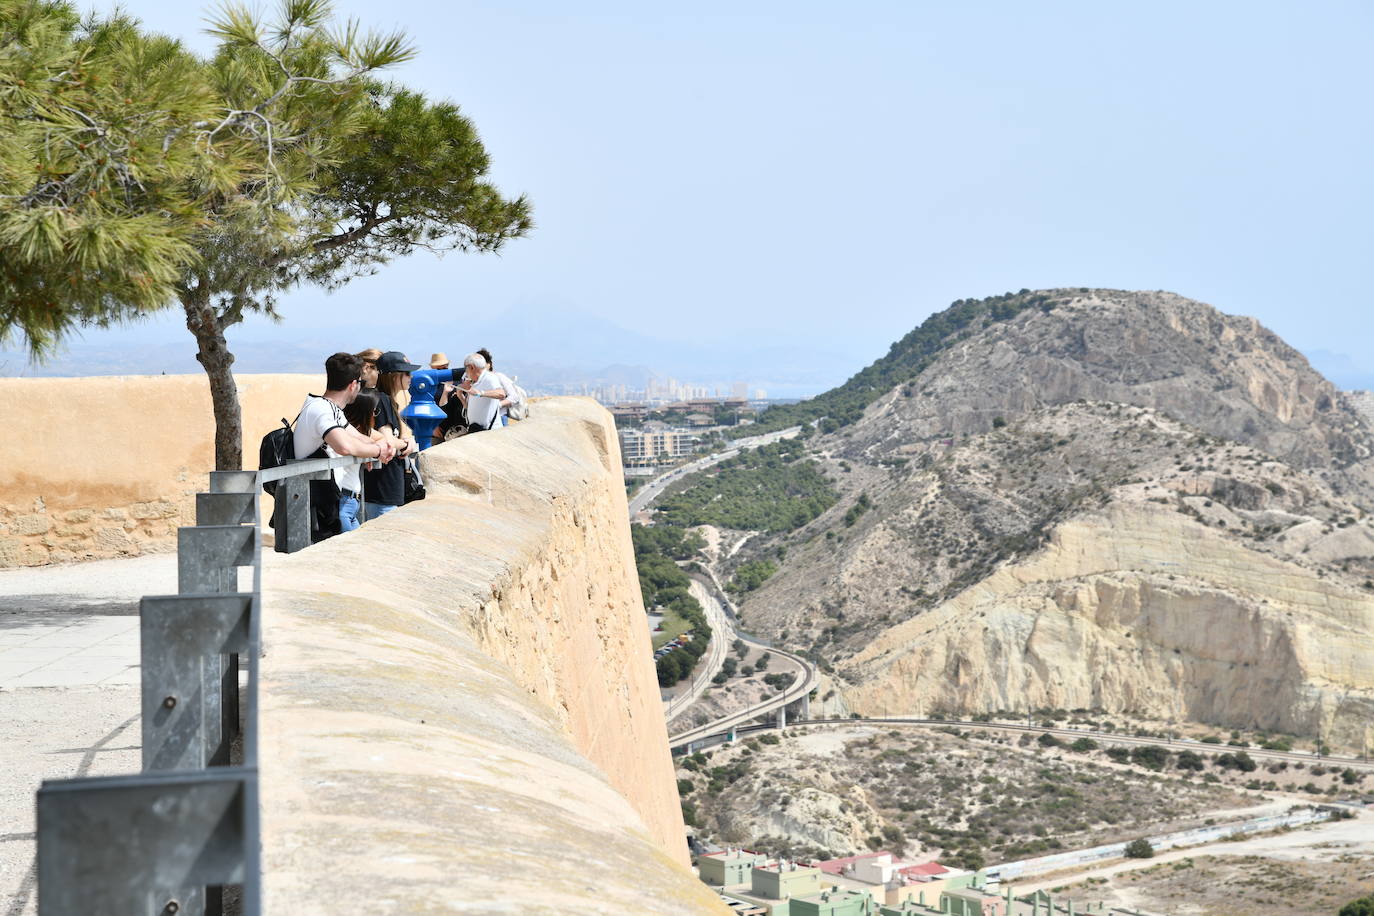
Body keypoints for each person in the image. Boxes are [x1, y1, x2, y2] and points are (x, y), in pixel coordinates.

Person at [295, 353, 396, 539]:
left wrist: (381, 444)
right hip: (317, 506)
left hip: (331, 502)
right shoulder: (320, 410)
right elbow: (345, 446)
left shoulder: (332, 410)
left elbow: (359, 437)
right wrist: (379, 451)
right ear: (353, 385)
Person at [363, 350, 420, 520]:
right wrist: (406, 445)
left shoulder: (384, 399)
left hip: (386, 490)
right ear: (394, 376)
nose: (411, 378)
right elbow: (387, 440)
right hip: (382, 490)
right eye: (407, 373)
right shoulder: (383, 399)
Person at [455, 352, 506, 433]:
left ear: (471, 367)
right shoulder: (473, 381)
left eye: (466, 368)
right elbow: (469, 407)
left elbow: (501, 394)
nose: (466, 371)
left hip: (490, 431)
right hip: (476, 429)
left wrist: (480, 393)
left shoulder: (489, 378)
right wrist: (460, 396)